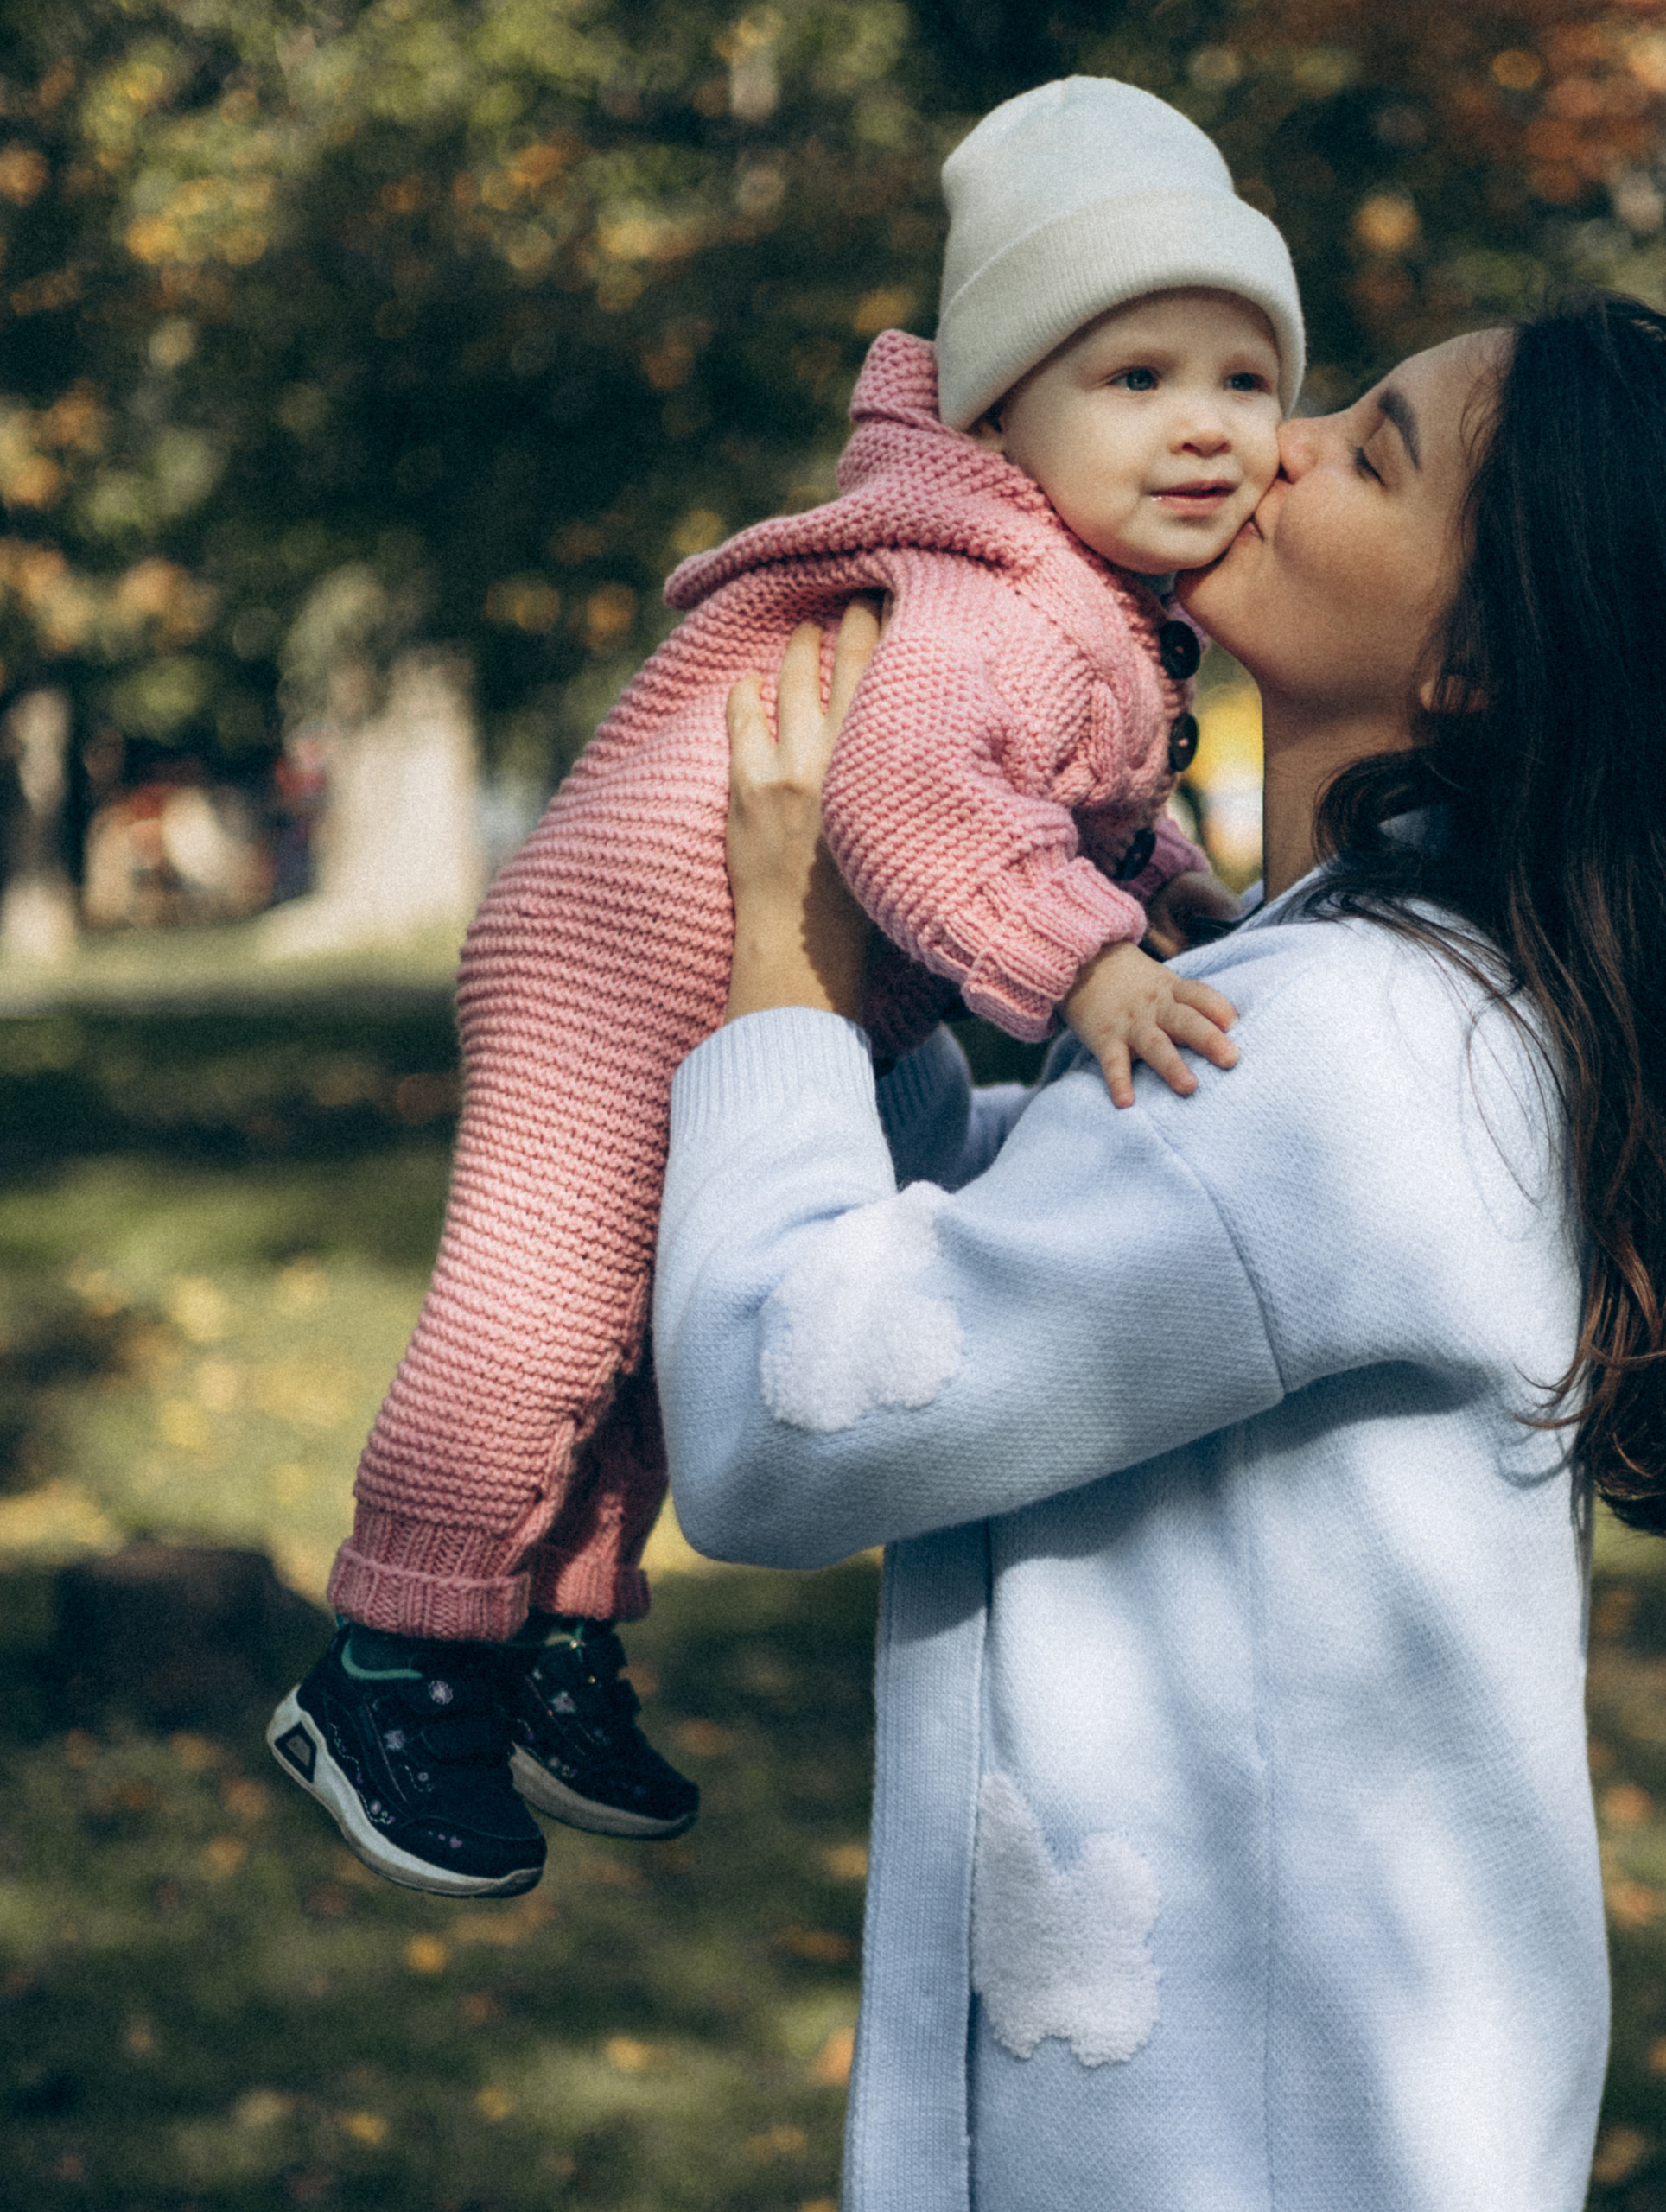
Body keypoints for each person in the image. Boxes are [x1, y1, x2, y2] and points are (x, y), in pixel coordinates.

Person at [655, 294, 1666, 2209]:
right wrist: (885, 975)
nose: (1281, 437)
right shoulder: (1403, 1003)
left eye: (1374, 445)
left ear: (1485, 656)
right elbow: (1015, 1239)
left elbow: (781, 1423)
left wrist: (775, 959)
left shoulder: (1333, 1056)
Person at [267, 76, 1301, 1898]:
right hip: (615, 959)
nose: (1205, 427)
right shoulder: (984, 591)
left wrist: (1188, 915)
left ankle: (548, 1639)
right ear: (1001, 406)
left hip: (740, 993)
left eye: (1245, 378)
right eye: (1134, 380)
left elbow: (1086, 822)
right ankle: (387, 1657)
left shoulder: (1091, 606)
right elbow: (913, 803)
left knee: (654, 1350)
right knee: (539, 1315)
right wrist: (1089, 969)